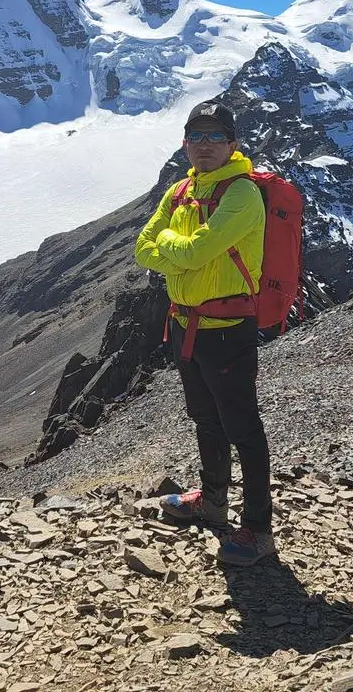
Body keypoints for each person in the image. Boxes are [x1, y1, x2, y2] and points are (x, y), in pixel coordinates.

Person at [133, 100, 274, 566]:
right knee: (206, 419)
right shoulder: (180, 191)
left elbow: (188, 254)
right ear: (185, 143)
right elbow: (140, 248)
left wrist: (172, 247)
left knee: (244, 429)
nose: (205, 145)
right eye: (197, 136)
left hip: (228, 330)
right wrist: (180, 249)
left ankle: (257, 529)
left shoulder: (242, 195)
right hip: (184, 326)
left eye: (216, 136)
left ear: (233, 144)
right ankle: (213, 502)